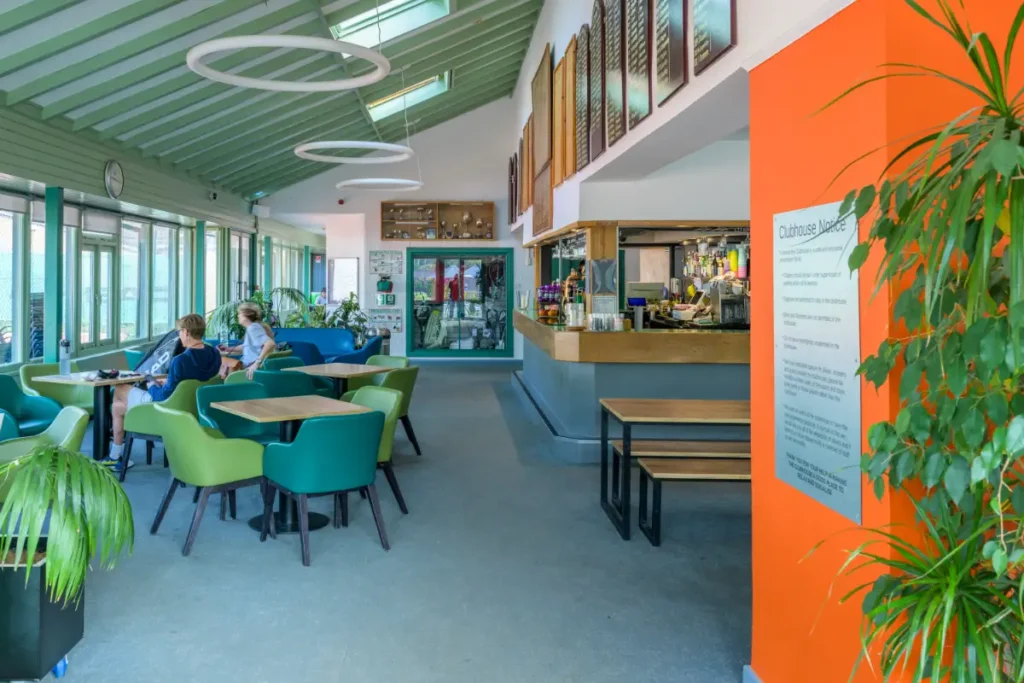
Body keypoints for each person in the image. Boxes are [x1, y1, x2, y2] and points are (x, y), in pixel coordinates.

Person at [103, 313, 221, 471]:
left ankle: (115, 456)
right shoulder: (215, 354)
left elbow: (162, 396)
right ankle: (114, 456)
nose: (179, 335)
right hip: (193, 408)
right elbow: (190, 382)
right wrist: (167, 382)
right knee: (117, 407)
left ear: (186, 332)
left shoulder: (180, 360)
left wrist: (151, 383)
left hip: (166, 409)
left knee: (120, 388)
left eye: (180, 332)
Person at [218, 303, 277, 380]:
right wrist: (228, 349)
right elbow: (247, 347)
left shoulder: (253, 328)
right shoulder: (253, 327)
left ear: (246, 315)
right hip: (247, 367)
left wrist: (257, 363)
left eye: (239, 313)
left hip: (249, 370)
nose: (238, 316)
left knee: (220, 362)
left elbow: (270, 344)